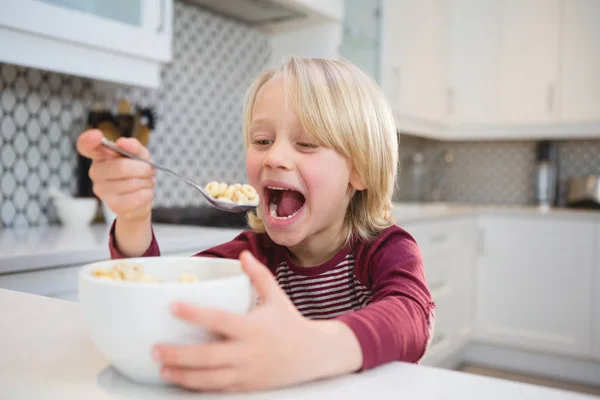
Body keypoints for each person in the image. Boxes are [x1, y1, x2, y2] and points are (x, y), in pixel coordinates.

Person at [76, 56, 434, 392]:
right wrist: (135, 217)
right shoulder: (251, 257)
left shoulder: (385, 250)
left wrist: (308, 349)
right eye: (262, 140)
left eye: (306, 143)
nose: (274, 157)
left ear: (359, 171)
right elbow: (164, 298)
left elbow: (412, 319)